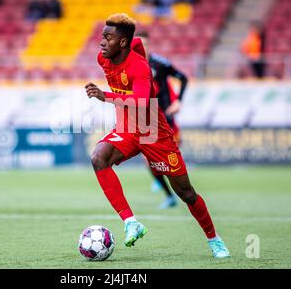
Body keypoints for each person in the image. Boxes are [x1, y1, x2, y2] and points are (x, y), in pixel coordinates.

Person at [85, 13, 230, 258]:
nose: (101, 42)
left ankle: (214, 239)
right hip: (128, 128)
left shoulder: (140, 67)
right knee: (99, 157)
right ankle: (131, 222)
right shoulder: (104, 58)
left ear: (122, 43)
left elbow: (142, 104)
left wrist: (105, 96)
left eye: (108, 37)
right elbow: (137, 43)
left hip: (154, 131)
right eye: (102, 36)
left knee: (186, 193)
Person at [133, 31, 189, 209]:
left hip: (164, 116)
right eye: (138, 45)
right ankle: (169, 196)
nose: (142, 48)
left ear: (149, 45)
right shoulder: (131, 65)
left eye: (145, 44)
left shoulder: (160, 64)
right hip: (145, 117)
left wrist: (178, 100)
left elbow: (183, 78)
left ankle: (185, 193)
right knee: (148, 160)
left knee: (168, 159)